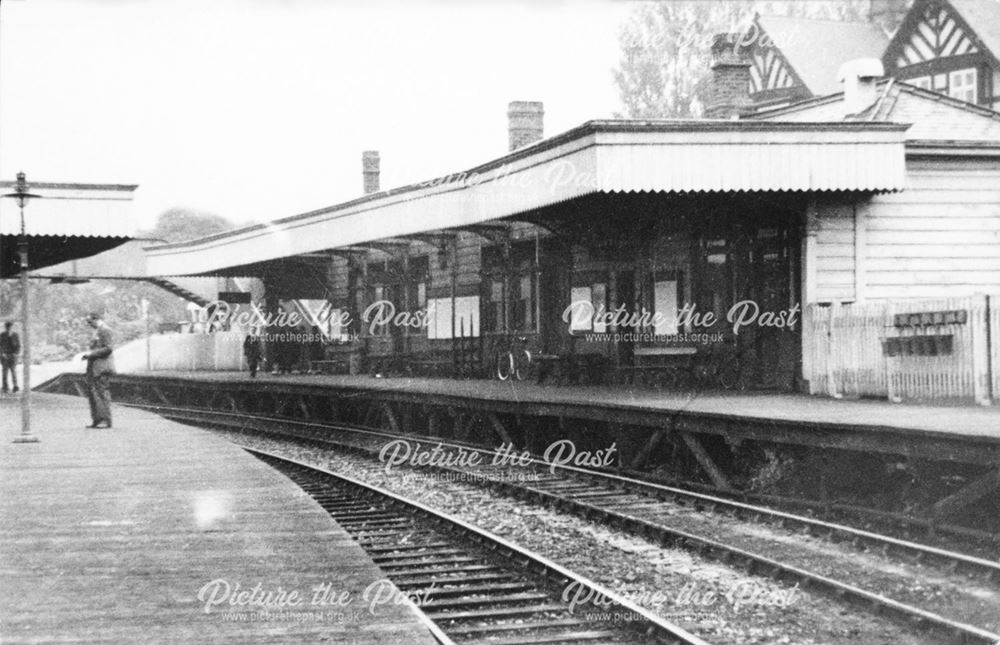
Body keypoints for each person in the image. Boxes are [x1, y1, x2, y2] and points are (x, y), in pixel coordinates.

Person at [81, 312, 115, 428]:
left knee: (101, 393)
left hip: (102, 367)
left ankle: (105, 420)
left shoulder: (105, 330)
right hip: (94, 368)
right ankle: (97, 419)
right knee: (94, 394)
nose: (89, 325)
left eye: (90, 322)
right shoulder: (98, 330)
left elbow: (108, 348)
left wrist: (91, 354)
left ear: (96, 319)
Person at [0, 321, 20, 393]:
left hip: (13, 355)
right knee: (4, 372)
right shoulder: (2, 335)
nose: (9, 328)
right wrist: (2, 353)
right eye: (7, 327)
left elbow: (18, 345)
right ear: (6, 327)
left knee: (13, 371)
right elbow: (0, 345)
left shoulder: (15, 335)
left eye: (10, 327)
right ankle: (5, 386)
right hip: (4, 355)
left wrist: (16, 353)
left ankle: (15, 386)